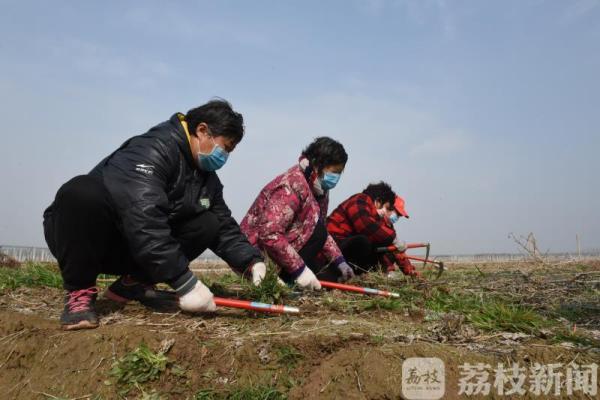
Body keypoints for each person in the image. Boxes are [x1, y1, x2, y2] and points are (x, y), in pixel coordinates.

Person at [43, 99, 267, 330]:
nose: (224, 157)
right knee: (81, 192)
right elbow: (144, 218)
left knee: (207, 223)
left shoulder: (206, 178)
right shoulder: (154, 150)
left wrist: (252, 263)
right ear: (202, 131)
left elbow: (222, 225)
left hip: (133, 248)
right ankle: (79, 292)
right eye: (225, 148)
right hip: (91, 240)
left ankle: (132, 283)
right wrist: (185, 283)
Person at [240, 137, 355, 287]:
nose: (336, 178)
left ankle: (291, 278)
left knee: (321, 251)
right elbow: (269, 233)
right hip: (256, 257)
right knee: (317, 235)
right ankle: (281, 280)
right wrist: (299, 270)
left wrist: (340, 262)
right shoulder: (291, 185)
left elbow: (319, 230)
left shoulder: (321, 190)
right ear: (317, 164)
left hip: (285, 250)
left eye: (340, 173)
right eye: (333, 172)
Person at [326, 182, 419, 277]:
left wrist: (410, 271)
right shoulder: (360, 200)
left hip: (344, 250)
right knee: (363, 242)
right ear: (378, 201)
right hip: (331, 245)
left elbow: (396, 250)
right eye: (389, 209)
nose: (395, 217)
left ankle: (371, 274)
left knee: (384, 246)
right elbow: (365, 225)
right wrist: (393, 239)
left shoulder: (382, 225)